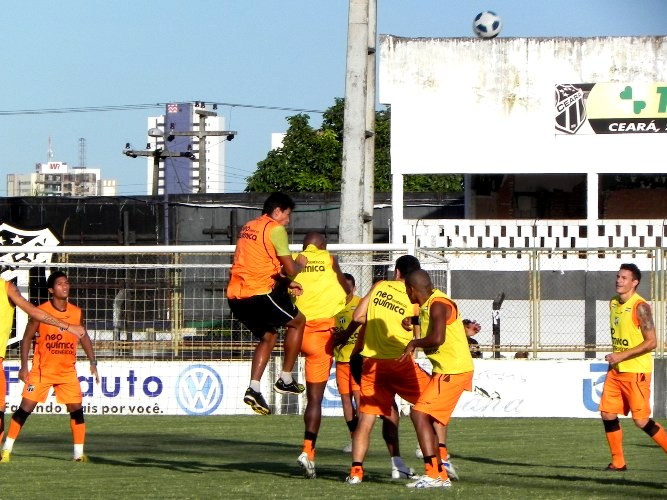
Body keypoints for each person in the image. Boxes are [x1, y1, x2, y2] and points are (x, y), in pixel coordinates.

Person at [345, 255, 427, 485]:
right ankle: (436, 462)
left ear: (397, 272)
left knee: (369, 418)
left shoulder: (380, 286)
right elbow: (420, 336)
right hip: (400, 362)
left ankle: (357, 472)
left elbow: (358, 316)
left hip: (370, 362)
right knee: (431, 404)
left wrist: (381, 318)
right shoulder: (415, 298)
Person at [0, 271, 97, 463]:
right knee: (24, 409)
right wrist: (24, 366)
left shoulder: (76, 312)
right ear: (52, 290)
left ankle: (78, 454)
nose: (65, 286)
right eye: (60, 284)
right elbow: (27, 337)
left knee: (76, 409)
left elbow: (83, 335)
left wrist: (93, 361)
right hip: (42, 371)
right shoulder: (41, 312)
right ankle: (7, 450)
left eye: (67, 283)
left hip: (67, 371)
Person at [227, 192, 308, 415]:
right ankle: (286, 377)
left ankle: (253, 388)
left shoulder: (247, 227)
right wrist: (300, 263)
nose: (288, 221)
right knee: (298, 322)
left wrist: (285, 283)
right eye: (287, 215)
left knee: (269, 335)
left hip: (235, 295)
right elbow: (291, 270)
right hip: (259, 294)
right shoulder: (276, 229)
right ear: (278, 211)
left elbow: (257, 264)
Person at [400, 270, 475, 488]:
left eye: (407, 290)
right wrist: (412, 319)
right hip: (446, 370)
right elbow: (430, 320)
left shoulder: (438, 304)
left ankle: (433, 474)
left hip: (453, 371)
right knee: (427, 418)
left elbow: (438, 337)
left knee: (419, 413)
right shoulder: (429, 305)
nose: (407, 293)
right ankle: (439, 474)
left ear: (411, 289)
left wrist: (414, 343)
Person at [291, 232, 351, 479]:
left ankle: (284, 375)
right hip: (321, 334)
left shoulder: (293, 258)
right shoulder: (329, 258)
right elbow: (347, 289)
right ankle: (308, 451)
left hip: (295, 331)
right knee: (315, 399)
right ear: (323, 246)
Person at [599, 263, 667, 471]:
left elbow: (652, 342)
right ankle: (618, 462)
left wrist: (621, 354)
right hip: (616, 371)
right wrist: (618, 358)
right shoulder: (613, 303)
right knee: (607, 413)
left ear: (635, 282)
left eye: (624, 278)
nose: (619, 280)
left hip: (636, 372)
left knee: (641, 420)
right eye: (618, 276)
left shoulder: (640, 307)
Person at [333, 273, 362, 453]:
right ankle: (353, 438)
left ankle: (360, 437)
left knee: (360, 400)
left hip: (358, 360)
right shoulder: (333, 307)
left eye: (348, 287)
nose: (345, 290)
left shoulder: (360, 304)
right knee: (345, 399)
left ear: (354, 288)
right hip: (341, 361)